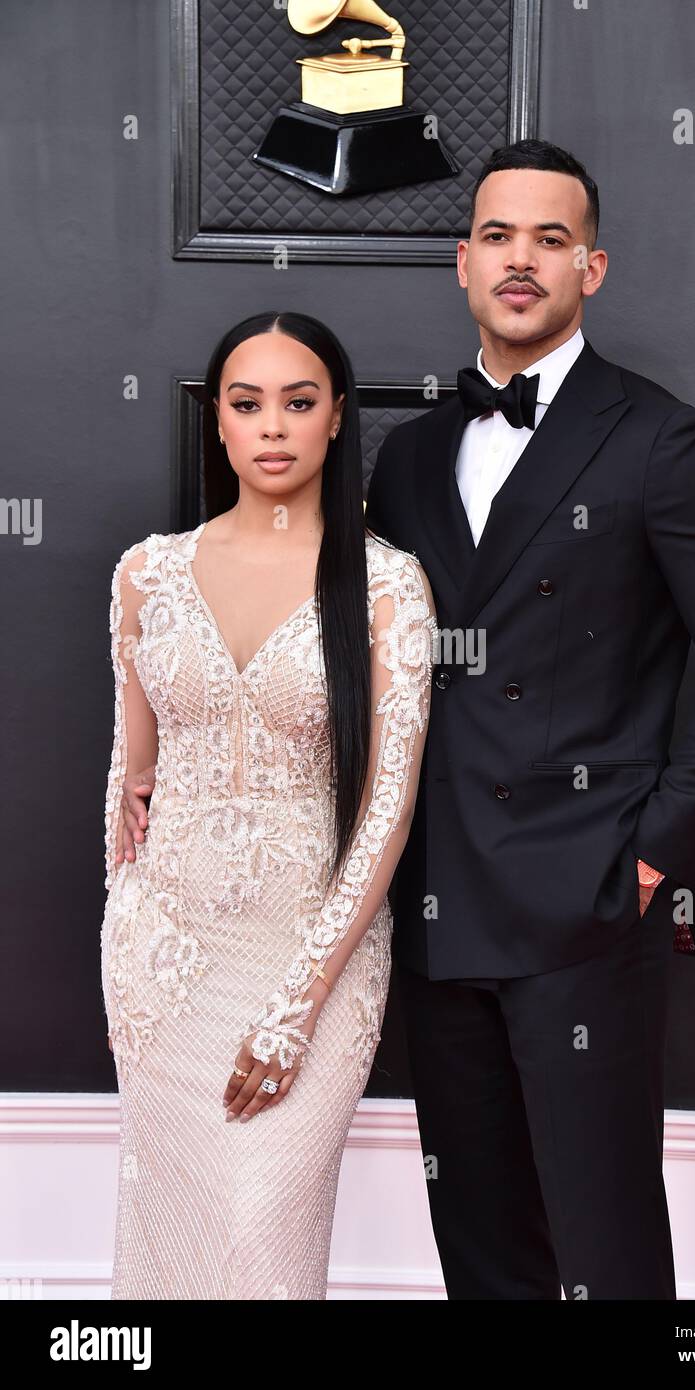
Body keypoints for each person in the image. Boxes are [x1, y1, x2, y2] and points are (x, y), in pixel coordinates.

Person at [362, 139, 695, 1299]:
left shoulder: (661, 441)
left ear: (590, 269)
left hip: (581, 907)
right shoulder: (406, 460)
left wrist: (653, 854)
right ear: (462, 262)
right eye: (499, 237)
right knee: (482, 1244)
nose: (521, 261)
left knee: (601, 1253)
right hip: (434, 905)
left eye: (549, 240)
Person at [100, 311, 436, 1299]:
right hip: (162, 967)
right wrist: (124, 920)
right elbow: (127, 775)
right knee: (168, 1241)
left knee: (260, 1246)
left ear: (337, 418)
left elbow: (386, 810)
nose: (273, 426)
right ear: (219, 424)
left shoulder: (386, 586)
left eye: (299, 402)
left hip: (311, 959)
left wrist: (294, 1010)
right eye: (247, 405)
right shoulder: (145, 573)